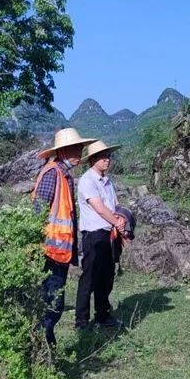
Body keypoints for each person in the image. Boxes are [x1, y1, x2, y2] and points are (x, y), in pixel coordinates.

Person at [31, 128, 95, 345]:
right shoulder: (53, 173)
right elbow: (38, 209)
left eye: (80, 148)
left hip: (59, 250)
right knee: (52, 303)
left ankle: (45, 347)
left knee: (52, 302)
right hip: (50, 250)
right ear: (63, 151)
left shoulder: (63, 174)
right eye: (75, 148)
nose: (80, 152)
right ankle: (42, 348)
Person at [76, 140, 128, 329]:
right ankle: (81, 320)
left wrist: (120, 220)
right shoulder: (87, 181)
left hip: (108, 233)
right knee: (89, 277)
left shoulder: (107, 181)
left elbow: (114, 204)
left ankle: (102, 315)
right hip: (93, 234)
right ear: (93, 160)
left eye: (108, 156)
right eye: (102, 157)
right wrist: (117, 222)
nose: (107, 160)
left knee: (106, 276)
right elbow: (99, 207)